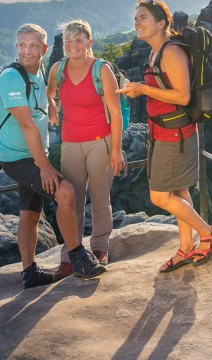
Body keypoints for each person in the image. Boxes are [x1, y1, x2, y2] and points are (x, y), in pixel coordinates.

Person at [0, 23, 106, 289]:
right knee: (65, 192)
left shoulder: (39, 71)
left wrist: (52, 102)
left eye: (33, 46)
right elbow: (27, 125)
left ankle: (30, 272)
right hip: (19, 158)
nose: (26, 51)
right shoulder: (11, 78)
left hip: (32, 154)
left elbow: (41, 95)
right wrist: (44, 166)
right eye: (22, 45)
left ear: (45, 49)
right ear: (16, 46)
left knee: (30, 212)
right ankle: (78, 257)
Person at [116, 0, 212, 272]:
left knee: (159, 196)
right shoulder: (155, 52)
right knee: (179, 191)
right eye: (136, 17)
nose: (136, 23)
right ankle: (186, 248)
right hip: (163, 130)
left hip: (175, 134)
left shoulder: (171, 52)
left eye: (143, 18)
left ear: (161, 23)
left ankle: (208, 234)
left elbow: (183, 95)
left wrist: (143, 90)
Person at [47, 19, 125, 280]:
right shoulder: (58, 69)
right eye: (68, 41)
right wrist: (52, 105)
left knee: (100, 197)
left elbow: (115, 113)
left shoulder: (101, 69)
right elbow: (49, 92)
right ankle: (72, 254)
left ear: (89, 43)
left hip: (98, 142)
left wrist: (116, 150)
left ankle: (100, 248)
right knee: (72, 201)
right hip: (70, 143)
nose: (73, 45)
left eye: (78, 40)